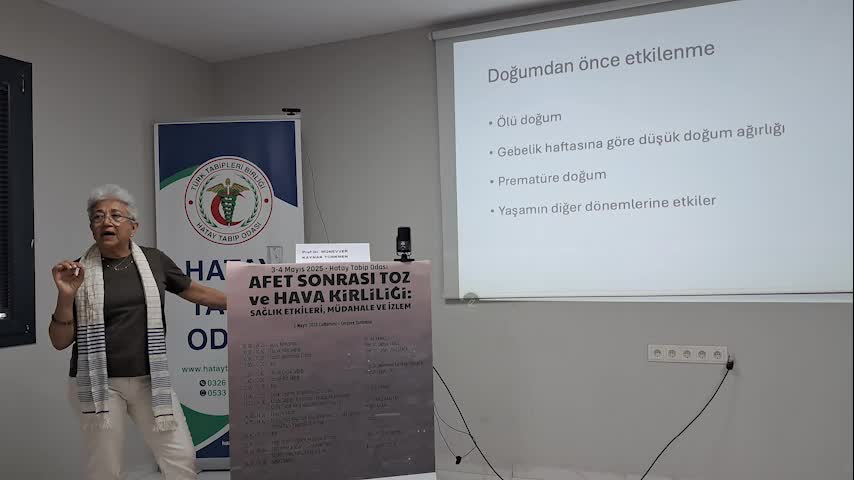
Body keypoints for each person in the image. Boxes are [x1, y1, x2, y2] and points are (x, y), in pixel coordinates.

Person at [50, 184, 226, 480]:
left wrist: (249, 301)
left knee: (181, 458)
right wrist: (66, 295)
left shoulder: (155, 261)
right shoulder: (77, 272)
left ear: (134, 227)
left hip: (150, 380)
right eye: (98, 217)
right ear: (92, 229)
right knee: (104, 468)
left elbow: (198, 292)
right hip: (100, 384)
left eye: (116, 215)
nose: (106, 222)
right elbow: (60, 341)